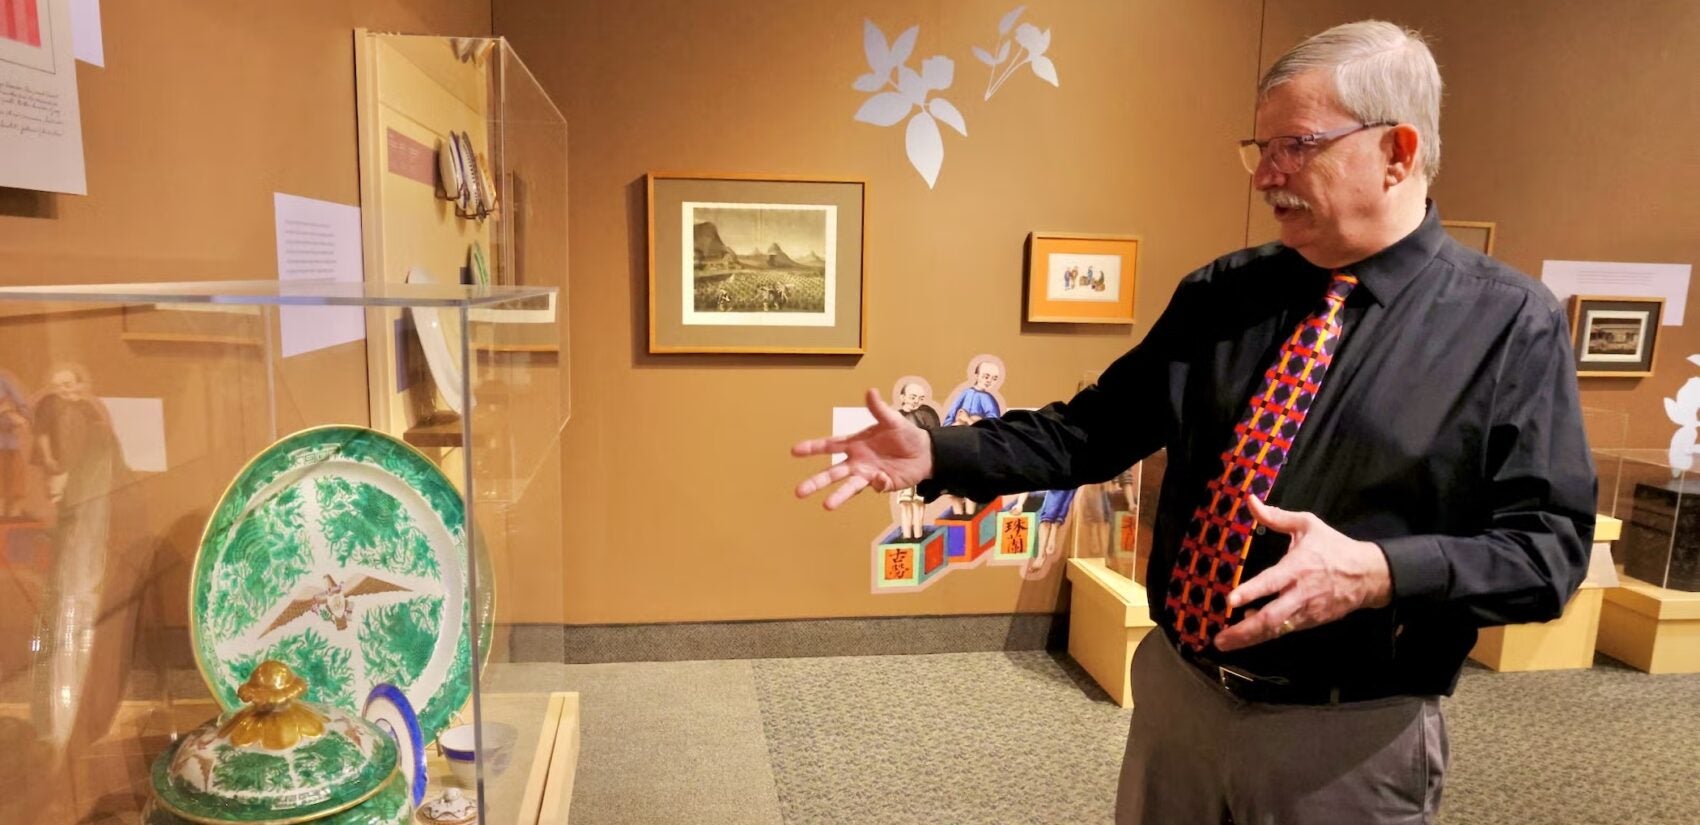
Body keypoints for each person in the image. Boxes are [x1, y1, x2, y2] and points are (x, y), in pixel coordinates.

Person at [792, 20, 1594, 825]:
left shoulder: (1508, 325)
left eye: (1297, 146)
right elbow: (1089, 432)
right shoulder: (1224, 293)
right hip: (1180, 697)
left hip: (1348, 736)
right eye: (1260, 148)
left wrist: (1379, 571)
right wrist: (935, 448)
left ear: (1398, 150)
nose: (1266, 175)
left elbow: (1549, 552)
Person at [889, 379, 942, 539]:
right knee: (905, 503)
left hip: (922, 466)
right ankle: (906, 536)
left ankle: (918, 535)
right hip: (904, 467)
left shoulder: (924, 415)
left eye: (920, 398)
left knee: (919, 503)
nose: (916, 402)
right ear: (902, 397)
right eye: (913, 397)